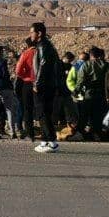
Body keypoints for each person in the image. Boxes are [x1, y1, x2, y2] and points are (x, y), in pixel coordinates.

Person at [30, 23, 63, 153]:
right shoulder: (45, 45)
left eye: (32, 32)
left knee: (43, 113)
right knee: (44, 113)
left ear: (39, 33)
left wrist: (37, 83)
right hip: (49, 85)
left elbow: (43, 66)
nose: (30, 35)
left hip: (44, 86)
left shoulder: (43, 46)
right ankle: (45, 141)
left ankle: (52, 142)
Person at [75, 46, 109, 140]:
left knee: (85, 115)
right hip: (102, 94)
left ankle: (81, 133)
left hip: (89, 93)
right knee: (98, 115)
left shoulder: (86, 65)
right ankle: (97, 133)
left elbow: (81, 79)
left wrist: (76, 91)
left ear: (91, 55)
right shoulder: (107, 65)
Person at [13, 38, 36, 141]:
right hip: (41, 84)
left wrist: (24, 76)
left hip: (28, 83)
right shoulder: (41, 52)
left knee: (27, 109)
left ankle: (30, 133)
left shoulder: (26, 53)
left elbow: (18, 70)